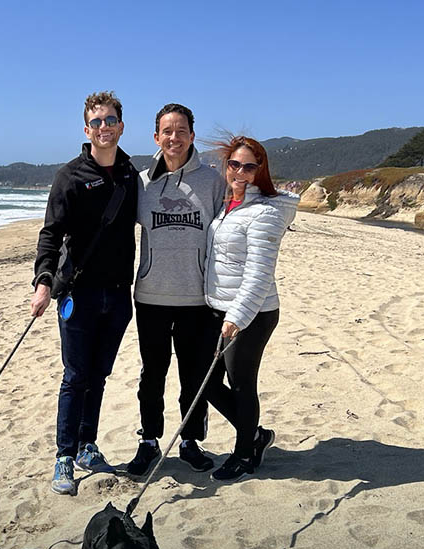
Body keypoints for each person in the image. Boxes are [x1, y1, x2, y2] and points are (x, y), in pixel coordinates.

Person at [31, 91, 139, 496]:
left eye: (110, 121)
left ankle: (87, 445)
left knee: (100, 375)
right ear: (86, 129)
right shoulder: (70, 176)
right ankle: (64, 455)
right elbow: (50, 234)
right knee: (75, 376)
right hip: (79, 294)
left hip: (118, 295)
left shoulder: (131, 175)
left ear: (121, 126)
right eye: (97, 122)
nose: (104, 128)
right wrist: (43, 282)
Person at [126, 103, 226, 477]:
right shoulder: (142, 182)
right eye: (167, 131)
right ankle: (149, 440)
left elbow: (228, 234)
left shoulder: (211, 181)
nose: (174, 137)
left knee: (193, 373)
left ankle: (189, 441)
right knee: (152, 372)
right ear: (156, 137)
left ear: (191, 136)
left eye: (181, 130)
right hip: (151, 294)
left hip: (197, 296)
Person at [202, 136, 297, 481]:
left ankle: (244, 455)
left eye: (249, 166)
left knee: (242, 385)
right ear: (225, 166)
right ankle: (255, 436)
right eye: (234, 164)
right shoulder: (228, 205)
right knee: (206, 382)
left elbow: (259, 274)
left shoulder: (266, 214)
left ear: (261, 171)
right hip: (220, 309)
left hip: (252, 315)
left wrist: (236, 319)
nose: (240, 172)